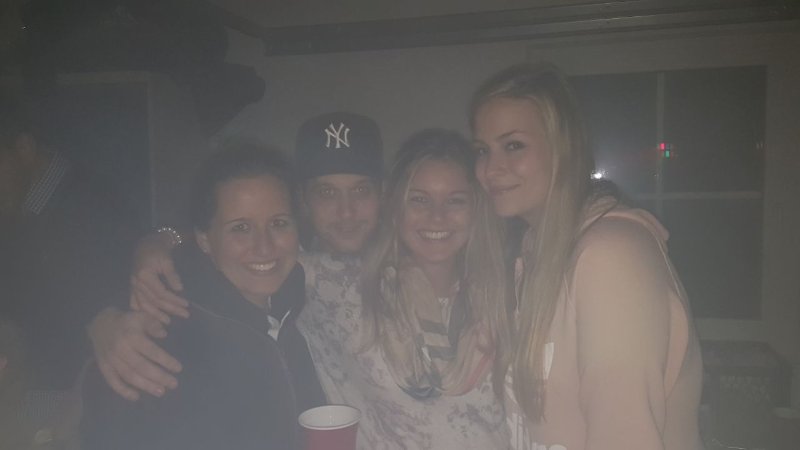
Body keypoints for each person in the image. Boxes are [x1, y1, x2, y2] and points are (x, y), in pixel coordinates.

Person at [469, 62, 704, 450]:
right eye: (482, 150)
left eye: (513, 145)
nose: (491, 169)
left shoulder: (610, 256)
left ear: (563, 147)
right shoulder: (535, 254)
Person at [85, 111, 384, 400]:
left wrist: (162, 239)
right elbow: (206, 246)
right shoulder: (289, 269)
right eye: (327, 193)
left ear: (383, 193)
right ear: (303, 201)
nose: (346, 212)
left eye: (361, 190)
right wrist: (102, 318)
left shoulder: (402, 270)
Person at [80, 143, 324, 450]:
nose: (264, 246)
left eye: (278, 223)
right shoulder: (160, 336)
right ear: (205, 240)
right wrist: (99, 318)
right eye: (241, 228)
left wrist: (163, 237)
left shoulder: (299, 299)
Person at [297, 129, 509, 448]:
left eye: (455, 200)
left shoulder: (507, 295)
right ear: (395, 206)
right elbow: (248, 261)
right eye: (419, 199)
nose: (437, 216)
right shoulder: (339, 286)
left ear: (477, 208)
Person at [0, 92, 139, 390]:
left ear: (24, 149)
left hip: (76, 394)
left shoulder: (93, 211)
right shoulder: (22, 211)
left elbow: (89, 338)